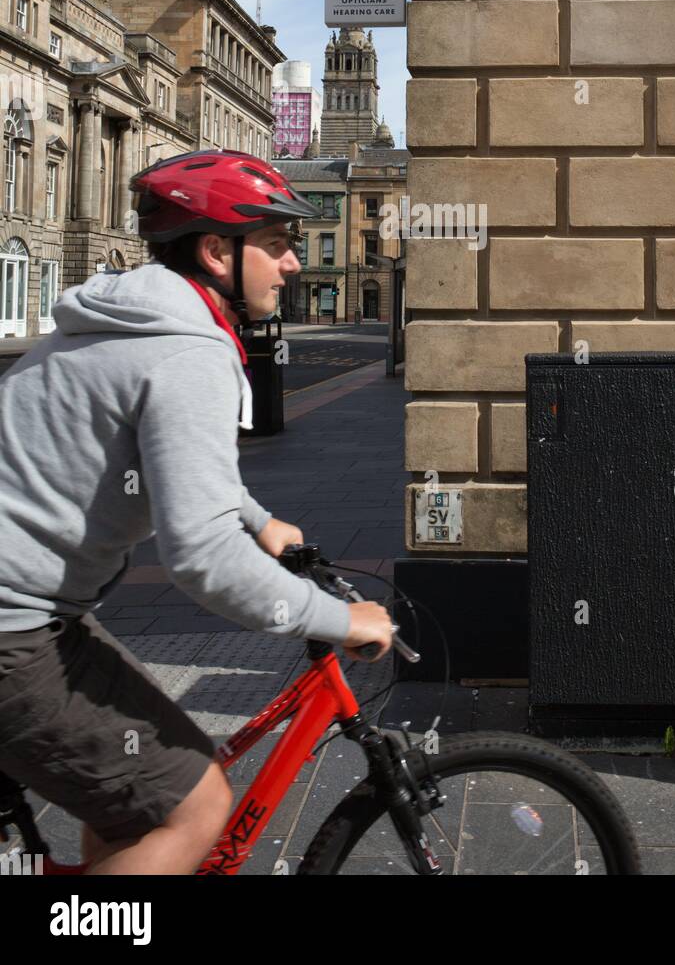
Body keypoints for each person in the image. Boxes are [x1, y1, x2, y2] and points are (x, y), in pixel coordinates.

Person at [0, 149, 393, 875]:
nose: (294, 266)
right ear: (217, 251)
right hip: (12, 626)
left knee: (141, 806)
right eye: (277, 245)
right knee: (193, 805)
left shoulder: (126, 320)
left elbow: (161, 453)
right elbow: (201, 561)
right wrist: (340, 619)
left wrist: (251, 515)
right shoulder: (187, 353)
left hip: (32, 608)